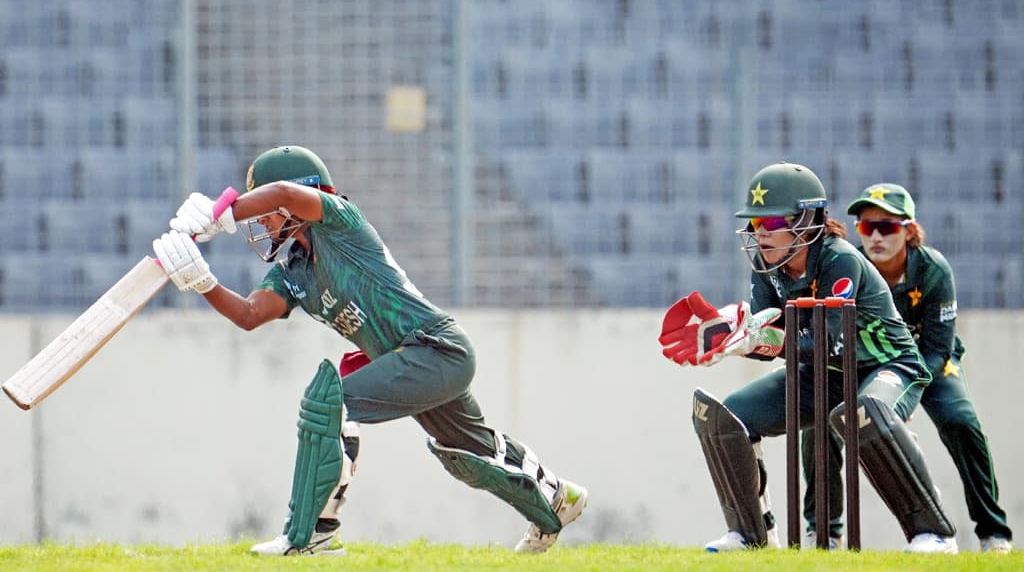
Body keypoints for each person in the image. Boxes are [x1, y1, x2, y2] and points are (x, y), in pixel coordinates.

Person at [151, 145, 587, 556]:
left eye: (264, 213)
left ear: (299, 198)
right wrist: (202, 282)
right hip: (414, 361)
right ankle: (555, 501)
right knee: (468, 455)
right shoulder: (292, 273)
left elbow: (283, 192)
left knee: (328, 404)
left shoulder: (342, 223)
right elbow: (249, 314)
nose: (261, 223)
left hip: (437, 348)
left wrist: (221, 211)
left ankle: (311, 534)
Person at [658, 162, 958, 553]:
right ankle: (753, 534)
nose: (758, 235)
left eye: (770, 224)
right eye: (753, 225)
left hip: (887, 364)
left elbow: (827, 339)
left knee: (865, 414)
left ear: (805, 221)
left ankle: (932, 532)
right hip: (823, 372)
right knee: (725, 417)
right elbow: (775, 334)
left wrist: (759, 338)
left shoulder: (839, 259)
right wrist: (739, 332)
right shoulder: (768, 266)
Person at [800, 183, 1013, 553]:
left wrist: (907, 395)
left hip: (931, 362)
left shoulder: (932, 270)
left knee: (962, 422)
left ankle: (994, 534)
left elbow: (939, 347)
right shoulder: (847, 266)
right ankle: (825, 534)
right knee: (821, 425)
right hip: (869, 364)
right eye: (867, 228)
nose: (876, 236)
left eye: (888, 227)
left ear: (910, 231)